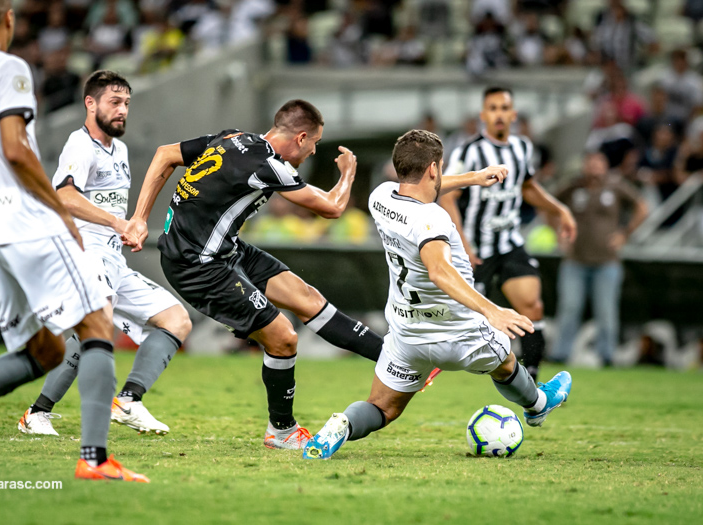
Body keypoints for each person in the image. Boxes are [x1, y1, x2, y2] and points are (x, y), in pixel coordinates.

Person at [120, 100, 508, 450]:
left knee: (307, 298)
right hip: (198, 264)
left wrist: (140, 217)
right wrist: (348, 174)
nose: (312, 152)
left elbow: (165, 154)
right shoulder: (269, 165)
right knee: (283, 337)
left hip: (223, 248)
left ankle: (391, 358)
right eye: (314, 144)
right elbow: (332, 207)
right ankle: (281, 430)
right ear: (301, 137)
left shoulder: (234, 138)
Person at [0, 0, 146, 482]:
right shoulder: (9, 68)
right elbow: (16, 151)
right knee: (98, 323)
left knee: (44, 351)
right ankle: (95, 460)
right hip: (23, 219)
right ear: (11, 19)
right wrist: (57, 212)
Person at [302, 130, 572, 460]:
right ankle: (538, 405)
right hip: (462, 335)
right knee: (505, 362)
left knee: (381, 408)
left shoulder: (381, 197)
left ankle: (340, 426)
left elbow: (422, 186)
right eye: (440, 166)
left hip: (408, 337)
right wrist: (493, 311)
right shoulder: (433, 219)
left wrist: (473, 178)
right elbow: (439, 271)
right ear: (434, 167)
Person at [17, 71, 192, 437]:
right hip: (83, 253)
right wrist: (118, 222)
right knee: (95, 331)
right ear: (90, 103)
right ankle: (39, 416)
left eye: (127, 103)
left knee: (176, 319)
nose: (122, 110)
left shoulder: (120, 149)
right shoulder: (79, 147)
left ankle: (128, 401)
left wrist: (129, 226)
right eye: (114, 102)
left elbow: (108, 207)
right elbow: (64, 196)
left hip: (112, 257)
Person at [439, 87, 577, 382]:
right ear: (483, 115)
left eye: (504, 108)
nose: (499, 114)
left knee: (532, 306)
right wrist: (463, 245)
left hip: (510, 243)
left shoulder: (522, 147)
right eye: (493, 108)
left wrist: (560, 210)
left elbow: (527, 187)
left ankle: (533, 381)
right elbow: (447, 195)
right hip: (475, 248)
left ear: (513, 114)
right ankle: (429, 368)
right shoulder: (469, 151)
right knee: (466, 320)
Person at [552, 152, 648, 366]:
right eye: (590, 163)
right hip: (575, 259)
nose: (594, 167)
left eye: (599, 163)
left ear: (605, 166)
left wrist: (625, 233)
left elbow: (642, 206)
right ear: (584, 166)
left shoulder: (615, 187)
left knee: (606, 310)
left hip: (607, 261)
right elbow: (548, 205)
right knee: (569, 307)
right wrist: (557, 231)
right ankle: (560, 354)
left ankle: (607, 356)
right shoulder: (573, 187)